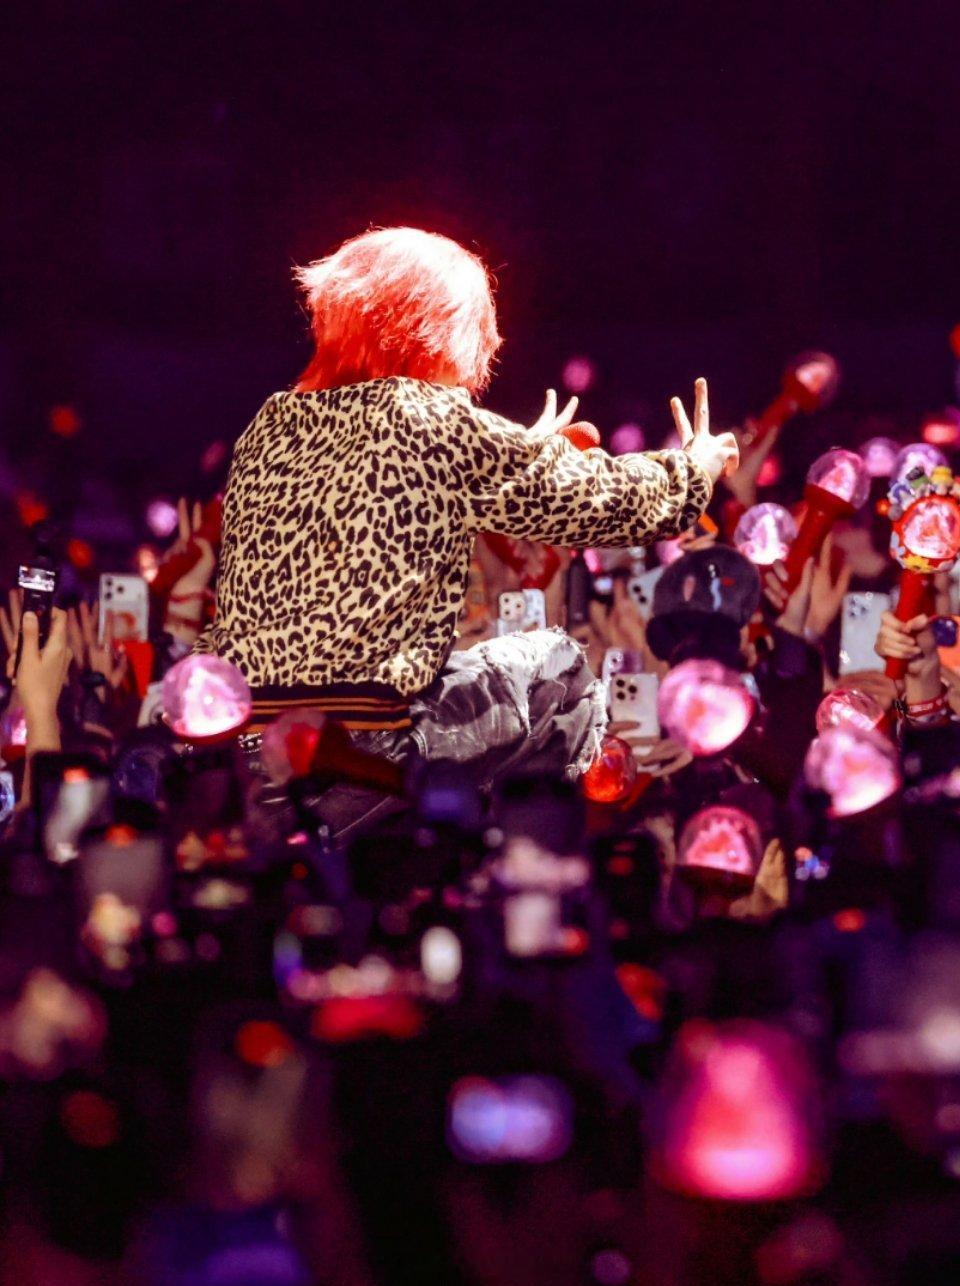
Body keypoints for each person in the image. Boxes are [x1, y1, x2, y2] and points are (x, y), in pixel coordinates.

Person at [196, 228, 738, 837]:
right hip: (375, 746)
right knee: (558, 664)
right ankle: (532, 855)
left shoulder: (269, 426)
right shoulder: (430, 419)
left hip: (250, 756)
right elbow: (604, 505)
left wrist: (521, 453)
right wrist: (694, 469)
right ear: (440, 326)